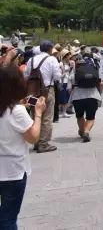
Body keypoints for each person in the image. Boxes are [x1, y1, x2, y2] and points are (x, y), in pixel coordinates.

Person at [0, 66, 46, 230]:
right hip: (12, 172)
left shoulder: (13, 108)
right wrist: (38, 113)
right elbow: (33, 137)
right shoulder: (16, 111)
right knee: (7, 218)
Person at [24, 40, 61, 153]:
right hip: (47, 91)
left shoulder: (31, 60)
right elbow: (57, 77)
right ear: (50, 49)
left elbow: (26, 76)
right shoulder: (52, 59)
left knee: (35, 116)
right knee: (47, 117)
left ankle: (36, 142)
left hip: (32, 92)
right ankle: (43, 144)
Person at [70, 49, 103, 143]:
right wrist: (100, 94)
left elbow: (71, 82)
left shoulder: (76, 67)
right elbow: (101, 84)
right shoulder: (95, 67)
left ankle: (81, 131)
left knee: (79, 116)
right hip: (92, 95)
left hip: (77, 95)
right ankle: (86, 131)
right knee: (90, 117)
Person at [58, 49, 75, 118]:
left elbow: (70, 73)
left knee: (66, 98)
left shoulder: (68, 63)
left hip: (67, 82)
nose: (69, 56)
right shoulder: (61, 64)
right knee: (62, 98)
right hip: (62, 82)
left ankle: (64, 112)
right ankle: (61, 112)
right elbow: (59, 74)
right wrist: (64, 74)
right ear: (64, 56)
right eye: (68, 55)